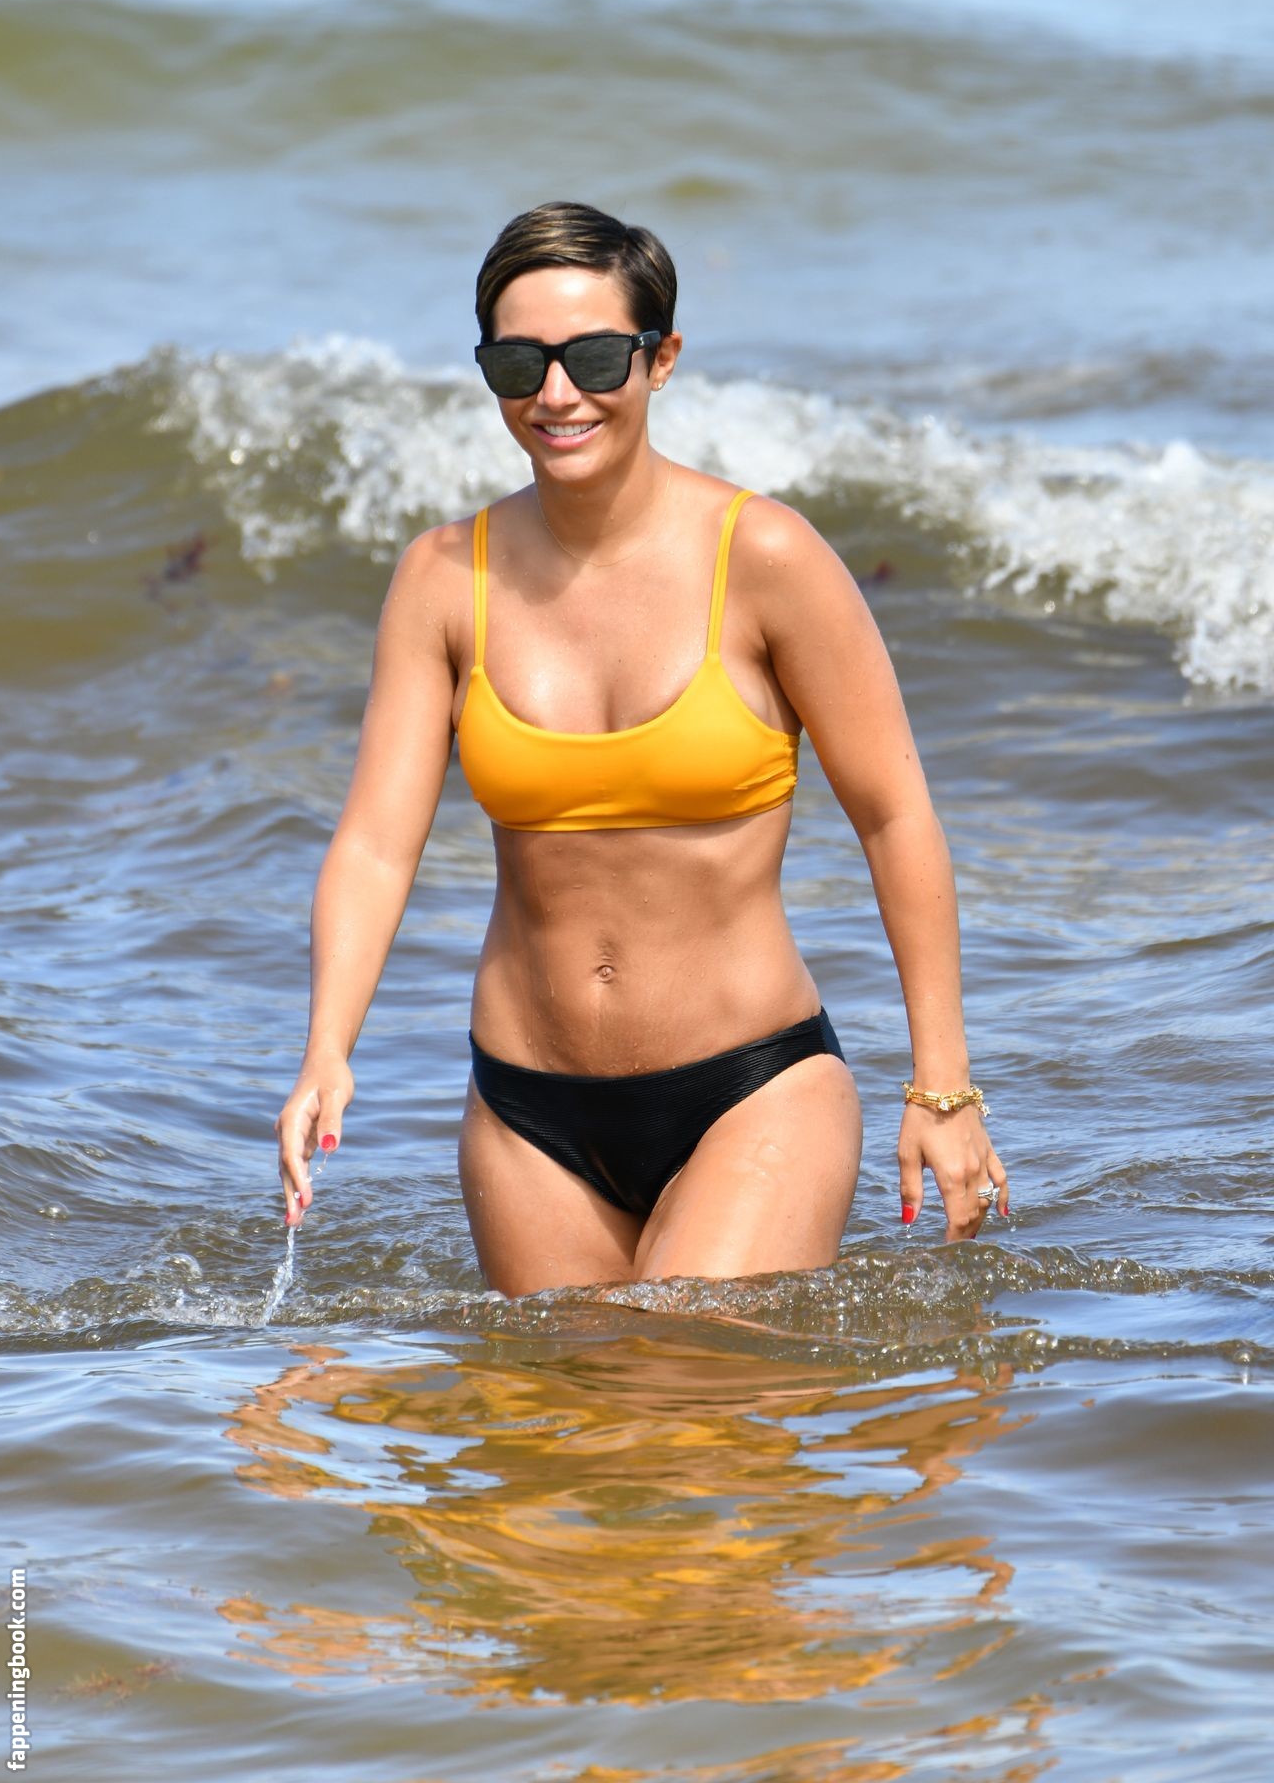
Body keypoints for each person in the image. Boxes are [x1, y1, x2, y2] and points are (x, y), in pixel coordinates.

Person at [275, 200, 1009, 1298]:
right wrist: (326, 1049)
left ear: (660, 360)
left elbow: (895, 818)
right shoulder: (443, 578)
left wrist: (941, 1087)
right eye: (518, 363)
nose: (555, 394)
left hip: (751, 1089)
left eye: (593, 358)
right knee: (563, 1406)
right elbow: (378, 843)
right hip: (526, 1114)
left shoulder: (765, 557)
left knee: (680, 1373)